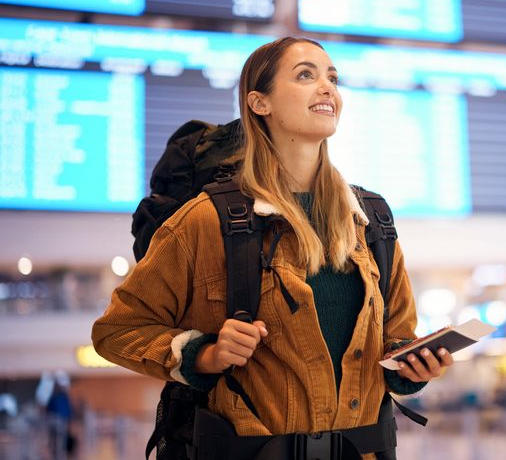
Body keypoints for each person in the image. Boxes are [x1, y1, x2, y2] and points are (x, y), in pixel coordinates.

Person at [92, 37, 454, 459]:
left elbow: (395, 340)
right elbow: (117, 331)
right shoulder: (207, 220)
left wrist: (411, 369)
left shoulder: (370, 221)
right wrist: (204, 355)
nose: (327, 88)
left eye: (332, 78)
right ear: (259, 103)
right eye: (306, 75)